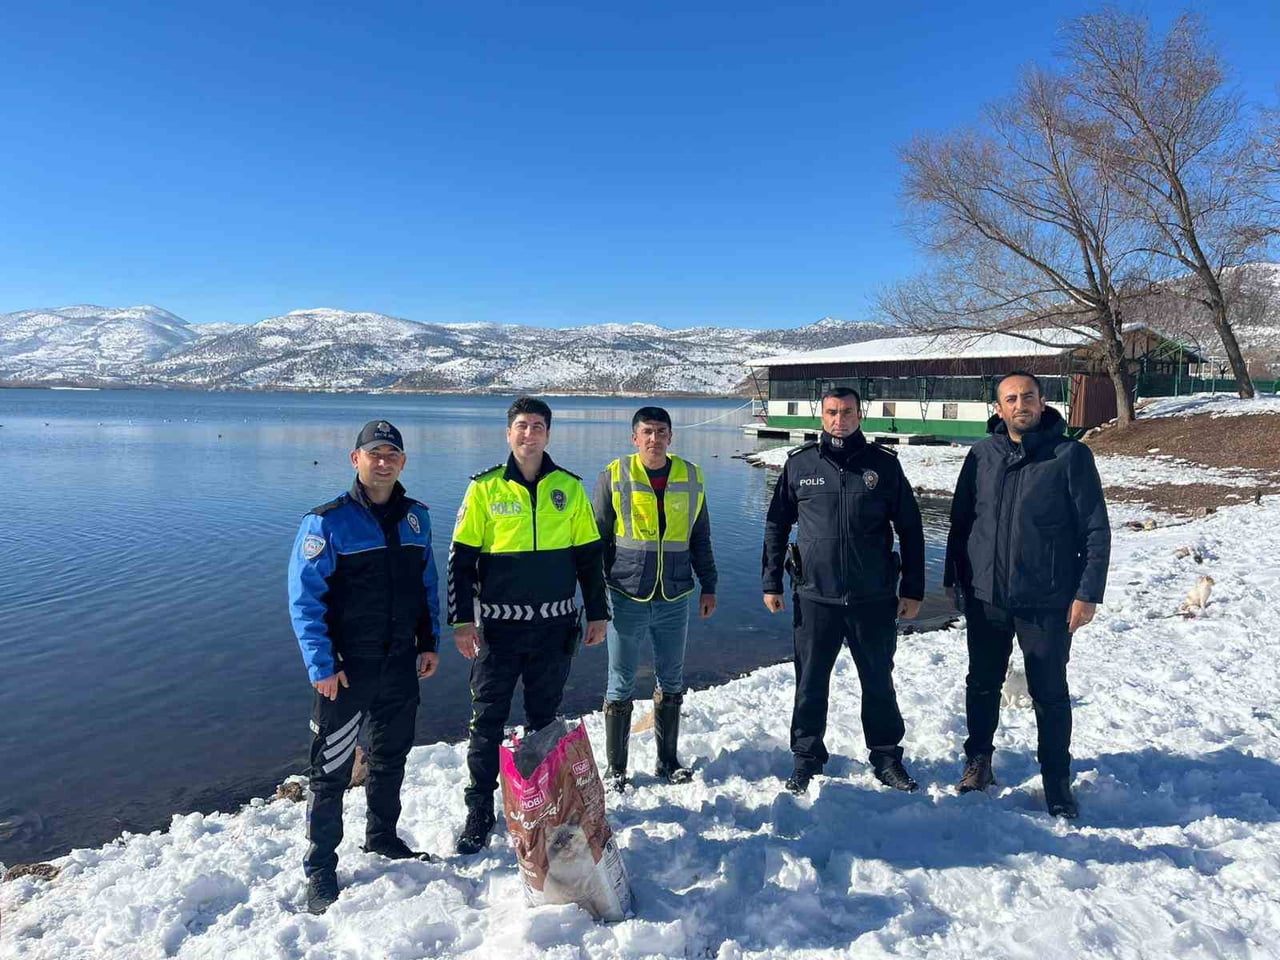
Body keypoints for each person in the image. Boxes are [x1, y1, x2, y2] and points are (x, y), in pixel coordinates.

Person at [287, 420, 441, 914]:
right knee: (330, 771)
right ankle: (320, 869)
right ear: (356, 460)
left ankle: (382, 837)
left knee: (390, 757)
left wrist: (429, 642)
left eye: (392, 454)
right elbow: (305, 601)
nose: (383, 462)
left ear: (403, 462)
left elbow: (427, 586)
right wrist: (321, 664)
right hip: (346, 670)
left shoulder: (417, 519)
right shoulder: (327, 522)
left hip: (400, 664)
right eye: (374, 453)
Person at [944, 371, 1110, 819]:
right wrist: (953, 580)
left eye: (1028, 396)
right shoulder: (981, 456)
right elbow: (961, 523)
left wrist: (1088, 593)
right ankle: (979, 762)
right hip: (987, 596)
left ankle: (1056, 780)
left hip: (1047, 599)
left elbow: (1095, 529)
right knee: (982, 684)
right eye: (1012, 399)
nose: (1021, 405)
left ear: (1042, 401)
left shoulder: (1070, 456)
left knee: (1049, 692)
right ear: (999, 408)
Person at [448, 396, 609, 855]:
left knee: (544, 721)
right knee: (487, 721)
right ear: (508, 433)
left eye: (537, 426)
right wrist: (462, 621)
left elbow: (589, 558)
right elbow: (461, 561)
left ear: (547, 434)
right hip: (498, 632)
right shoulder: (485, 488)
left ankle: (545, 802)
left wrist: (598, 613)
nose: (529, 434)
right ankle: (480, 808)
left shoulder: (569, 488)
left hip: (554, 629)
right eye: (521, 425)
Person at [761, 387, 926, 795]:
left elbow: (910, 528)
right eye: (832, 412)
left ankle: (886, 757)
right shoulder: (800, 464)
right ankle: (807, 757)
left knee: (878, 681)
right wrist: (770, 581)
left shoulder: (883, 465)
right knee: (810, 683)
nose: (840, 420)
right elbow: (777, 524)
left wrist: (913, 588)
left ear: (859, 415)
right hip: (816, 597)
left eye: (848, 412)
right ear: (822, 416)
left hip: (874, 597)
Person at [592, 406, 718, 789]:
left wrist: (709, 585)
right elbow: (596, 539)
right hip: (626, 594)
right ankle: (616, 769)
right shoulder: (614, 475)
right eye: (647, 432)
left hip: (674, 595)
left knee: (672, 678)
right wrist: (595, 598)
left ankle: (668, 761)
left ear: (670, 436)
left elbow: (700, 537)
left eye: (661, 431)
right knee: (620, 681)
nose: (654, 438)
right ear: (635, 438)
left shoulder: (691, 476)